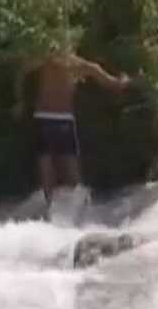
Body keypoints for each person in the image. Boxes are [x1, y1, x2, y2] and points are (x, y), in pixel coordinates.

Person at [16, 46, 132, 215]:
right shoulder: (80, 65)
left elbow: (23, 69)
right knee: (68, 166)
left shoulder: (46, 60)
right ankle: (78, 209)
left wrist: (19, 99)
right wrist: (125, 80)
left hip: (46, 117)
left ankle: (51, 208)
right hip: (63, 119)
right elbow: (113, 84)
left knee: (47, 163)